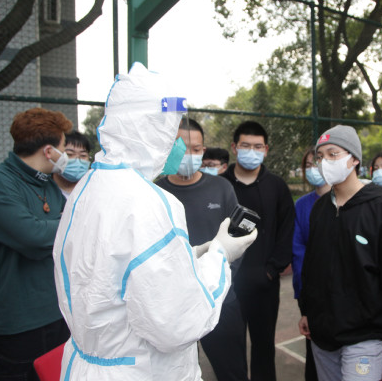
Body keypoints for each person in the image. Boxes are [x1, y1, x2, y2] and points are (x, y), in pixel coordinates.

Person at [52, 63, 257, 381]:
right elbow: (177, 322)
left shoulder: (88, 188)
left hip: (88, 364)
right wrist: (220, 254)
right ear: (151, 130)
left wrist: (190, 256)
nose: (178, 145)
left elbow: (115, 273)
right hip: (139, 370)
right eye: (173, 133)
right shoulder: (148, 201)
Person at [299, 125, 382, 381]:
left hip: (365, 337)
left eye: (333, 154)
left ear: (354, 159)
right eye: (320, 156)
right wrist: (307, 310)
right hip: (323, 336)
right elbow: (312, 266)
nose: (325, 162)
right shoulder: (320, 209)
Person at [0, 107, 73, 380]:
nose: (66, 156)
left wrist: (61, 224)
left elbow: (63, 235)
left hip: (56, 315)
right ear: (49, 151)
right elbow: (34, 238)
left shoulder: (49, 185)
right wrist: (71, 221)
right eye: (64, 148)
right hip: (14, 325)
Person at [155, 118, 248, 381]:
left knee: (232, 371)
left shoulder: (222, 188)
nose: (189, 155)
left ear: (203, 150)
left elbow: (237, 240)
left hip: (220, 300)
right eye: (181, 148)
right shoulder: (155, 192)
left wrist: (218, 281)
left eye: (196, 149)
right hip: (174, 306)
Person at [221, 120, 296, 381]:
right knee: (230, 350)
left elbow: (287, 230)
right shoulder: (220, 185)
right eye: (245, 146)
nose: (251, 151)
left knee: (264, 348)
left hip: (264, 283)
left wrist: (272, 270)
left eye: (257, 146)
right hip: (227, 284)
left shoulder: (277, 186)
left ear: (266, 150)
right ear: (234, 147)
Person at [292, 147, 330, 381]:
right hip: (311, 294)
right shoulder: (302, 205)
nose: (313, 169)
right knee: (315, 355)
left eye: (317, 163)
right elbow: (298, 252)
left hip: (343, 294)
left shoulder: (347, 201)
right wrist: (303, 295)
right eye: (308, 165)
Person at [52, 130, 91, 198]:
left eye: (83, 155)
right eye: (69, 154)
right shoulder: (43, 189)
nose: (77, 160)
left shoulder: (94, 189)